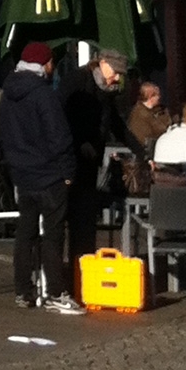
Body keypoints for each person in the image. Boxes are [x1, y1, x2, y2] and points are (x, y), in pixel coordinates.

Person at [0, 40, 85, 316]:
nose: (53, 68)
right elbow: (60, 138)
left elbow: (4, 137)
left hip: (22, 175)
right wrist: (68, 173)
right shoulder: (44, 95)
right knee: (53, 235)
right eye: (52, 63)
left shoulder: (7, 95)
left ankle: (23, 290)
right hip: (49, 175)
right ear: (45, 64)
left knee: (26, 233)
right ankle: (56, 293)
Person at [60, 47, 132, 266]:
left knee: (86, 220)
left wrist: (139, 150)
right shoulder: (77, 80)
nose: (117, 77)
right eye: (116, 71)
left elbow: (116, 124)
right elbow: (62, 115)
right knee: (75, 217)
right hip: (72, 160)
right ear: (102, 63)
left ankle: (83, 270)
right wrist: (81, 141)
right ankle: (72, 271)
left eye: (121, 74)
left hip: (92, 162)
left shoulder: (107, 90)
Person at [125, 79, 173, 154]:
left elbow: (168, 123)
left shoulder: (162, 110)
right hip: (149, 151)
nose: (160, 97)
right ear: (151, 97)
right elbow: (142, 138)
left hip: (165, 147)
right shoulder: (139, 115)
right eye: (157, 95)